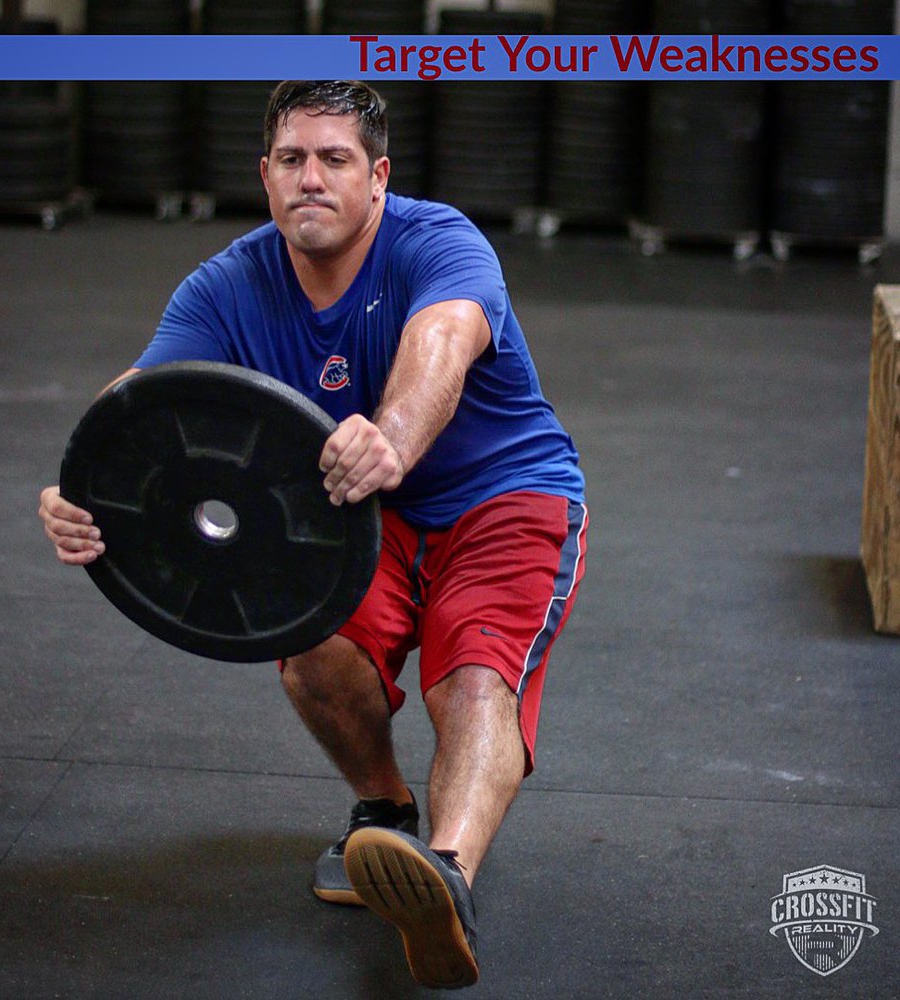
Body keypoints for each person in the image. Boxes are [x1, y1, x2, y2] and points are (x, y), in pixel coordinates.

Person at [38, 80, 588, 990]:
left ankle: (447, 879)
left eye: (335, 159)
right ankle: (385, 813)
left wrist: (393, 437)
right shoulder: (228, 284)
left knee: (473, 677)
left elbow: (442, 344)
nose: (311, 179)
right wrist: (79, 484)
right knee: (309, 642)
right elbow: (142, 397)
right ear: (265, 174)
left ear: (378, 176)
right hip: (361, 510)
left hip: (503, 496)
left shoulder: (438, 242)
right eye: (291, 160)